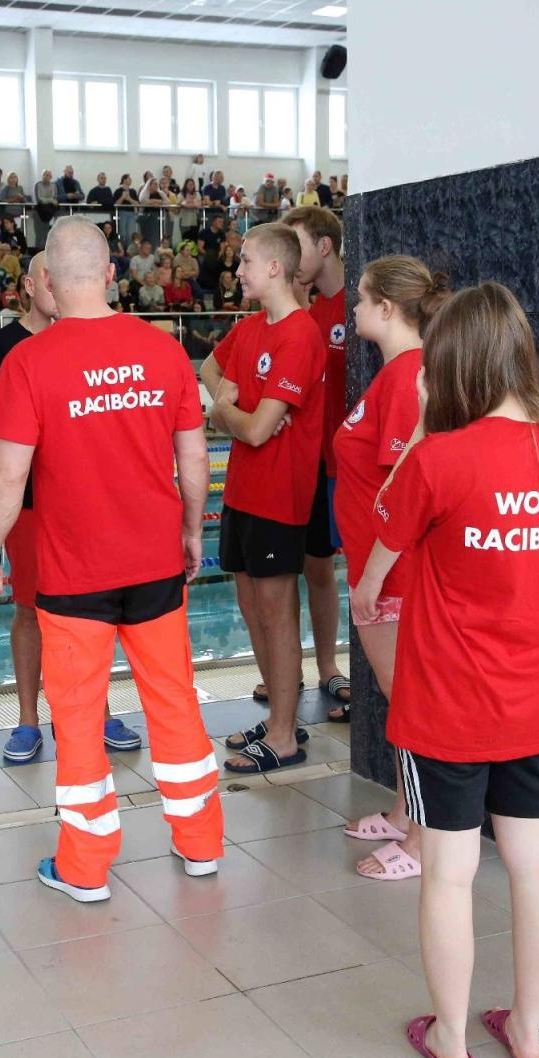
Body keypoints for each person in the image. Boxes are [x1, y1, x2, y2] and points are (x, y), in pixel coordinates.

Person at [353, 282, 539, 1058]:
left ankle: (448, 1035)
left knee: (450, 872)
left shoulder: (440, 457)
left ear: (453, 363)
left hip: (448, 709)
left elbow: (376, 572)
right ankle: (531, 1035)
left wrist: (367, 600)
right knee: (536, 865)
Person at [0, 217, 221, 900]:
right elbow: (193, 457)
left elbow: (6, 477)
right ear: (112, 275)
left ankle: (84, 869)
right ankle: (200, 845)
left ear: (47, 280)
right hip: (154, 565)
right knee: (173, 703)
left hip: (72, 574)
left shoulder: (29, 361)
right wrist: (193, 531)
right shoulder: (162, 348)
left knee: (79, 717)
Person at [0, 252, 144, 762]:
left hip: (84, 503)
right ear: (33, 284)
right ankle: (28, 719)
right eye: (53, 277)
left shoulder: (94, 340)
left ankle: (99, 708)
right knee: (29, 609)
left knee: (93, 612)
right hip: (28, 503)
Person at [331, 254, 452, 881]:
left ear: (386, 309)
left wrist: (375, 578)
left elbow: (411, 490)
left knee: (413, 705)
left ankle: (427, 841)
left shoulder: (410, 377)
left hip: (394, 576)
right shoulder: (397, 375)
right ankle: (410, 815)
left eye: (362, 299)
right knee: (404, 700)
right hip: (379, 568)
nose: (353, 308)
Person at [199, 223, 326, 774]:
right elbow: (210, 370)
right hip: (243, 492)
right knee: (251, 608)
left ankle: (284, 736)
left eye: (247, 260)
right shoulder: (250, 329)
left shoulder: (301, 335)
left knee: (276, 613)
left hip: (279, 494)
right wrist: (232, 409)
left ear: (275, 267)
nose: (239, 268)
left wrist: (227, 411)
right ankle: (280, 715)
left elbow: (255, 431)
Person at [285, 206, 352, 714]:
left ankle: (342, 669)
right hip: (314, 463)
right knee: (316, 568)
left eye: (298, 245)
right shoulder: (306, 317)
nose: (290, 258)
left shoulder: (362, 306)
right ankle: (324, 665)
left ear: (324, 246)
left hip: (352, 467)